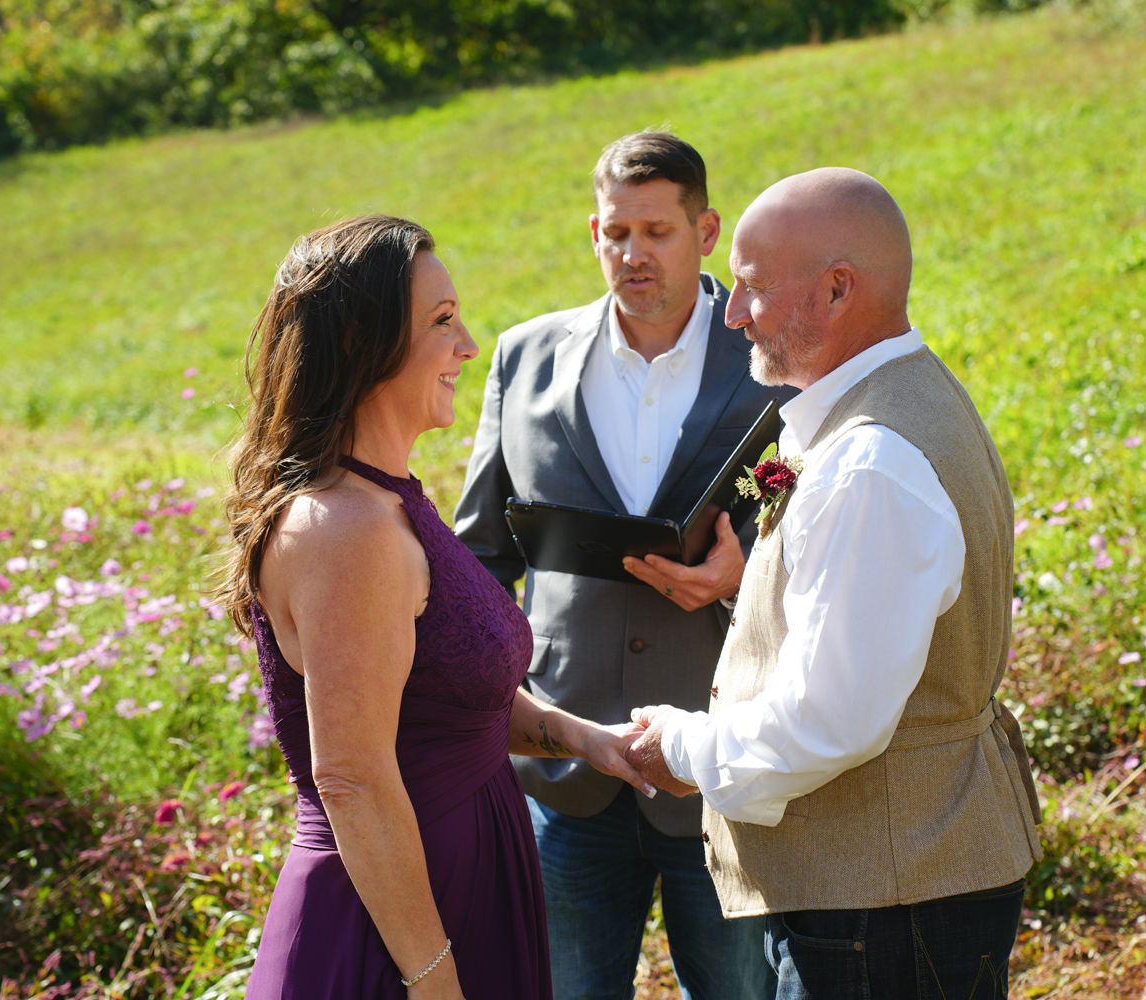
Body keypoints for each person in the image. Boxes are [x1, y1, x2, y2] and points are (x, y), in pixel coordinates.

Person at [625, 168, 1044, 999]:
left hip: (885, 906)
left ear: (837, 289)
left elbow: (827, 722)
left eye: (749, 288)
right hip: (899, 884)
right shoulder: (902, 407)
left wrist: (681, 746)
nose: (732, 313)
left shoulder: (870, 461)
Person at [219, 215, 652, 1000]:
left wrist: (588, 740)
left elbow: (446, 690)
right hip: (390, 935)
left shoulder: (387, 503)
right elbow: (351, 779)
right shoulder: (345, 532)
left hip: (459, 892)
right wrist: (433, 979)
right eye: (442, 321)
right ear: (360, 342)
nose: (469, 346)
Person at [454, 133, 786, 1000]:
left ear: (707, 230)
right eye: (615, 233)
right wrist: (488, 712)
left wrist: (742, 569)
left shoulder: (774, 360)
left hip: (721, 761)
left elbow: (825, 530)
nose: (633, 253)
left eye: (657, 231)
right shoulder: (523, 356)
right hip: (560, 766)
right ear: (591, 233)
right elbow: (479, 557)